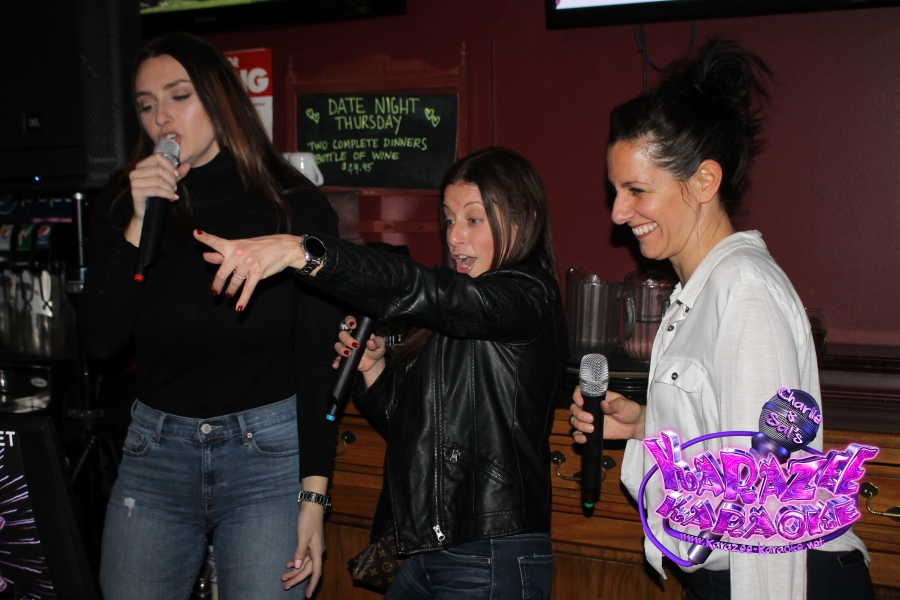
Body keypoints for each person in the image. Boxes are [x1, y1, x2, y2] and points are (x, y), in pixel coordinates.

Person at [568, 38, 875, 600]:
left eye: (637, 190)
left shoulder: (746, 292)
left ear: (704, 182)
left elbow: (770, 493)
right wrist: (645, 424)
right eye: (616, 190)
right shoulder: (701, 290)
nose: (617, 212)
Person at [193, 147, 567, 599]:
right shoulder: (459, 310)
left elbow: (426, 290)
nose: (455, 238)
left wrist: (303, 252)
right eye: (449, 220)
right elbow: (416, 431)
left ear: (522, 216)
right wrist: (372, 371)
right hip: (428, 551)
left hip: (490, 551)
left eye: (473, 220)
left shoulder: (527, 295)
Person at [78, 33, 341, 599]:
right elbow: (101, 343)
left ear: (220, 99)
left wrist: (314, 500)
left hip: (266, 457)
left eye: (179, 96)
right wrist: (135, 220)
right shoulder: (127, 200)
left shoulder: (293, 206)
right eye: (146, 105)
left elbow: (316, 364)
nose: (161, 118)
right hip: (156, 453)